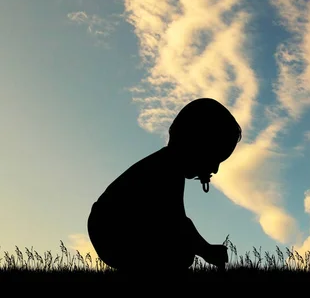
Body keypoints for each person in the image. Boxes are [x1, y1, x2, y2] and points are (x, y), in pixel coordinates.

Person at [87, 98, 242, 276]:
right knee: (179, 253)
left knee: (180, 252)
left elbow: (179, 222)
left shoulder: (165, 164)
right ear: (196, 144)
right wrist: (206, 250)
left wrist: (204, 249)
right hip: (113, 229)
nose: (214, 169)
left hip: (110, 228)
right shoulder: (165, 169)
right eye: (214, 158)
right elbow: (177, 223)